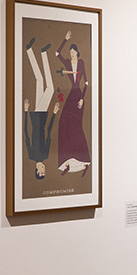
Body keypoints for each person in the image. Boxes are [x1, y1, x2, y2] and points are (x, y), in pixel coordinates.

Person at [55, 31, 91, 174]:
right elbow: (57, 54)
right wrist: (65, 39)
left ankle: (84, 161)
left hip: (79, 96)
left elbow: (87, 82)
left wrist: (83, 98)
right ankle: (67, 161)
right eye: (69, 52)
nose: (71, 53)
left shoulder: (81, 62)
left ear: (76, 52)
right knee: (63, 124)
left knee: (76, 126)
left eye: (72, 51)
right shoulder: (67, 63)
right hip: (72, 94)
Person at [23, 39, 60, 179]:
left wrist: (25, 111)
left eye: (41, 172)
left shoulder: (32, 155)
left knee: (50, 88)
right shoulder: (45, 155)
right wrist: (54, 113)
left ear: (36, 170)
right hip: (42, 116)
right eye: (44, 172)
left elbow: (26, 133)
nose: (43, 169)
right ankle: (31, 50)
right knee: (39, 80)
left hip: (36, 117)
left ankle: (42, 53)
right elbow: (49, 131)